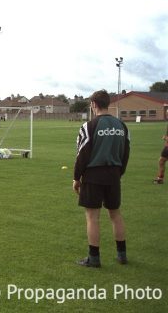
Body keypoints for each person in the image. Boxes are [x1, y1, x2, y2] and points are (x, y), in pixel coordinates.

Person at [73, 90, 130, 268]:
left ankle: (94, 257)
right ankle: (122, 255)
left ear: (93, 104)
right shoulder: (122, 126)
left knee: (92, 217)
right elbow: (126, 152)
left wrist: (76, 178)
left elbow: (82, 154)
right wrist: (118, 173)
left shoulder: (88, 126)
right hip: (114, 175)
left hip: (93, 175)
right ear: (108, 103)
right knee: (115, 214)